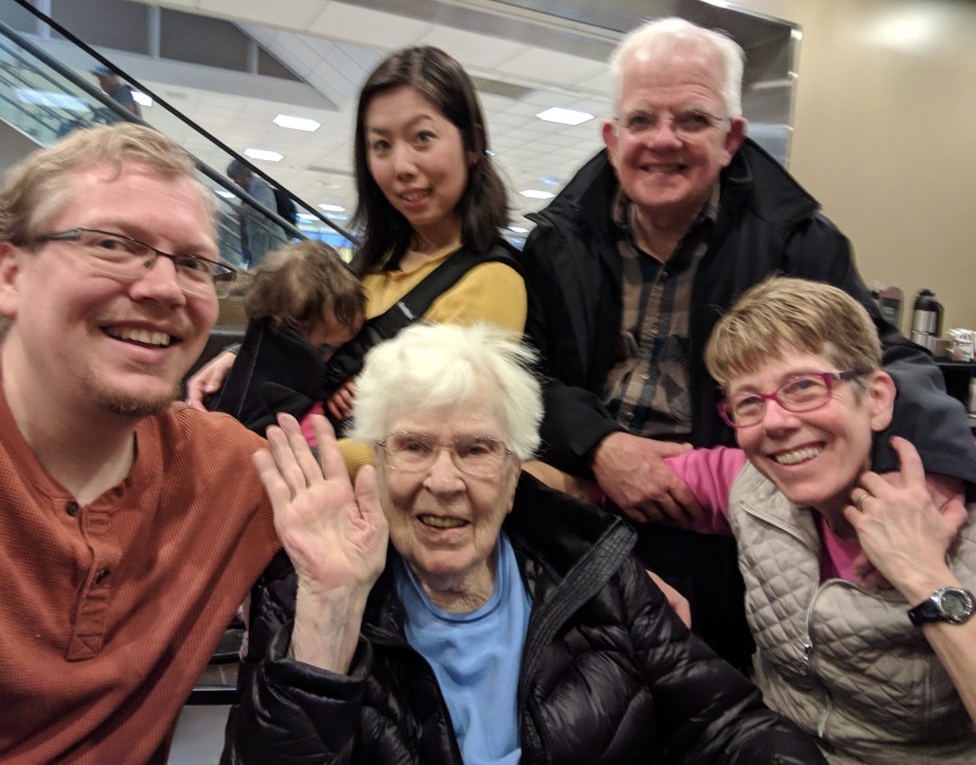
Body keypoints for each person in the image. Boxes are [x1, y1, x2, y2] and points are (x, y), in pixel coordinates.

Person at [522, 16, 976, 666]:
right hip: (587, 513)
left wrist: (936, 461)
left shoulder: (797, 241)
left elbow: (886, 356)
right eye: (642, 119)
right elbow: (519, 372)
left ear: (732, 137)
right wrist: (599, 444)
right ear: (611, 135)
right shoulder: (555, 241)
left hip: (730, 536)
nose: (663, 141)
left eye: (693, 119)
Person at [221, 322, 829, 765]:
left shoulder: (592, 570)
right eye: (412, 447)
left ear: (516, 473)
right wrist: (330, 614)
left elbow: (726, 722)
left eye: (476, 449)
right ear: (375, 461)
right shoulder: (309, 592)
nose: (443, 481)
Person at [0, 123, 287, 763]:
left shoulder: (230, 470)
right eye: (111, 244)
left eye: (192, 263)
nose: (163, 288)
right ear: (10, 274)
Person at [660, 277, 976, 764]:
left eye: (804, 386)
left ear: (876, 399)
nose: (776, 421)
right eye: (749, 402)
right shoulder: (750, 484)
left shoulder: (966, 526)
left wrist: (922, 573)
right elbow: (594, 482)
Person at [189, 47, 526, 451]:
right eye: (381, 145)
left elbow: (435, 447)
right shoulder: (371, 264)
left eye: (422, 137)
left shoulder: (492, 282)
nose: (400, 165)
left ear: (473, 145)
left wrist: (280, 459)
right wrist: (245, 359)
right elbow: (313, 344)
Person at [207, 240, 365, 443]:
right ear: (287, 336)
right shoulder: (298, 411)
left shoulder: (240, 366)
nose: (334, 361)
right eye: (325, 348)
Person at [226, 159, 287, 268]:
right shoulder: (249, 191)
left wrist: (243, 209)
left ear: (244, 175)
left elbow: (263, 211)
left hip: (269, 239)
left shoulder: (259, 186)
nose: (235, 182)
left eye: (236, 178)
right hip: (261, 241)